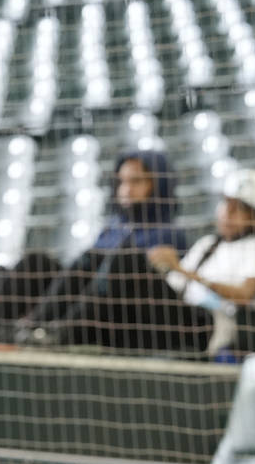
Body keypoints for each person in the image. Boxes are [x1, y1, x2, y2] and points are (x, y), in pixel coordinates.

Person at [22, 151, 196, 352]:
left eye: (136, 181)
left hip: (144, 322)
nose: (126, 190)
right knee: (40, 261)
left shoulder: (169, 233)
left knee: (123, 260)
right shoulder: (112, 227)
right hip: (101, 316)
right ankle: (30, 327)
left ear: (159, 185)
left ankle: (60, 334)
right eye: (121, 182)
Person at [150, 167, 255, 356]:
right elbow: (174, 285)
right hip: (181, 316)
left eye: (240, 208)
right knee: (133, 265)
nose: (228, 212)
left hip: (213, 324)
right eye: (226, 202)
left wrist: (182, 270)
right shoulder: (208, 244)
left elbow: (244, 295)